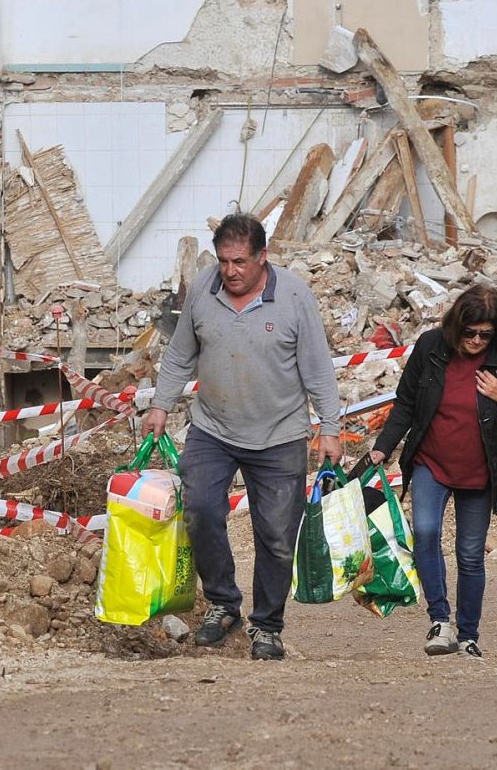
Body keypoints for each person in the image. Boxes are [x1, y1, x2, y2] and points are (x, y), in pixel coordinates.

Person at [141, 213, 343, 661]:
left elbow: (318, 368)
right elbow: (179, 356)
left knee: (275, 535)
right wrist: (160, 404)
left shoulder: (293, 297)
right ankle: (222, 603)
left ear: (262, 257)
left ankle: (268, 626)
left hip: (280, 435)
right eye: (224, 261)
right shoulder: (202, 291)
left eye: (240, 262)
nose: (230, 271)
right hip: (213, 428)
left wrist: (330, 427)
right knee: (200, 511)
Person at [367, 285, 497, 659]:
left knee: (469, 554)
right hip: (431, 461)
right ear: (456, 326)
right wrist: (384, 446)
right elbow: (406, 404)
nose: (478, 340)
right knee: (426, 533)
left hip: (481, 471)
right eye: (470, 333)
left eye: (486, 334)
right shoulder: (431, 347)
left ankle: (468, 634)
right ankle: (439, 620)